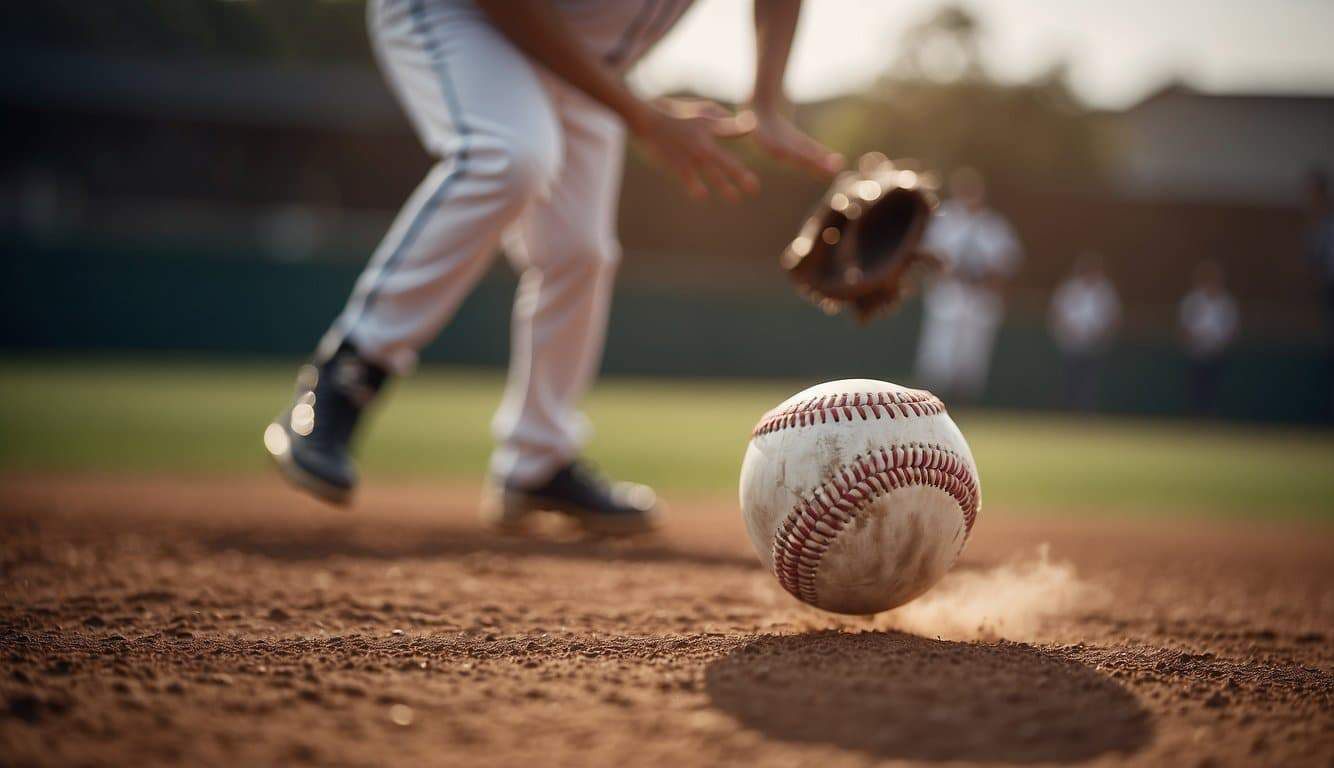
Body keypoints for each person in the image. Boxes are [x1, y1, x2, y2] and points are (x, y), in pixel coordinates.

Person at [263, 0, 843, 534]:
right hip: (466, 17)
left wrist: (765, 103)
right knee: (508, 156)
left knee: (579, 251)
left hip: (585, 67)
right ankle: (346, 377)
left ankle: (536, 462)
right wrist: (640, 117)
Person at [914, 167, 1022, 401]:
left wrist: (990, 279)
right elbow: (928, 256)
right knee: (940, 348)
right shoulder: (944, 219)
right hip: (949, 291)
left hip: (979, 294)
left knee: (972, 351)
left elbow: (1007, 261)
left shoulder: (993, 224)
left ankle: (966, 397)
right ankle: (933, 396)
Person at [1048, 252, 1120, 412]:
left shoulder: (1106, 291)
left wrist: (1100, 335)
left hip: (1095, 345)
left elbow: (1113, 318)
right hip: (1070, 344)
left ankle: (1086, 415)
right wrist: (1070, 331)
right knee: (1069, 382)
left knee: (1090, 384)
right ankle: (1066, 414)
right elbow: (1057, 314)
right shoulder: (1068, 289)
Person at [1178, 261, 1238, 416]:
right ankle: (1194, 417)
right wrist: (1195, 339)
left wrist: (1217, 341)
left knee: (1214, 388)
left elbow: (1231, 329)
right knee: (1195, 388)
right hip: (1196, 352)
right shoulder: (1193, 301)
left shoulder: (1226, 302)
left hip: (1216, 353)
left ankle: (1211, 416)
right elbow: (1184, 327)